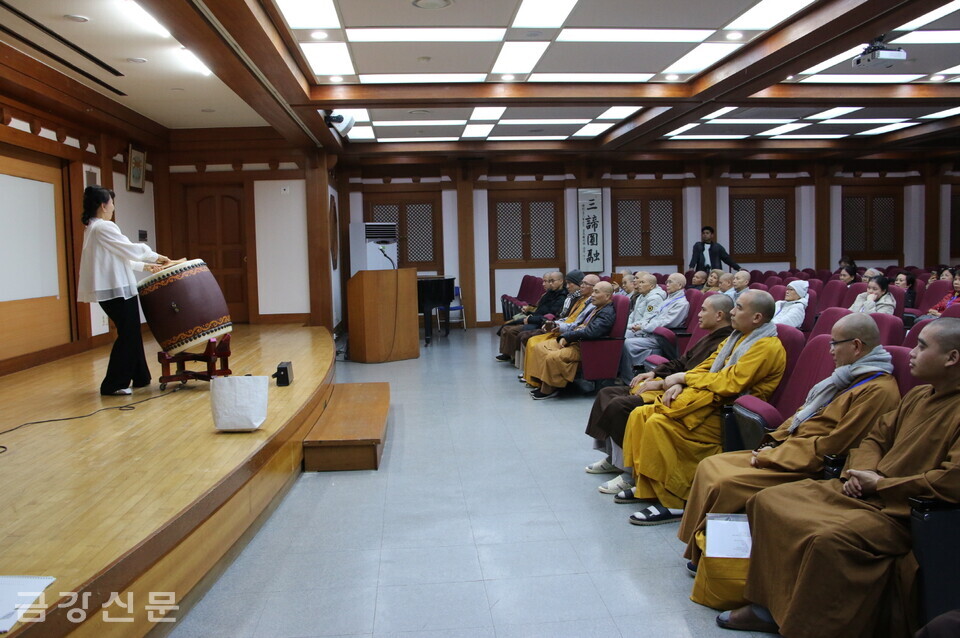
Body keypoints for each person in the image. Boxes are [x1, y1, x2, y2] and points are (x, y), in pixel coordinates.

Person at [719, 319, 960, 638]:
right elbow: (876, 437)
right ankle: (767, 606)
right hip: (865, 489)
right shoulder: (919, 396)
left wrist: (881, 485)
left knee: (826, 539)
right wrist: (866, 471)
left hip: (903, 513)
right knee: (768, 501)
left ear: (952, 358)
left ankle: (808, 626)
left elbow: (949, 480)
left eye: (922, 346)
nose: (911, 353)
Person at [678, 313, 900, 569]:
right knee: (710, 465)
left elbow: (835, 445)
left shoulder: (877, 390)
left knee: (727, 482)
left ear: (856, 346)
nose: (830, 351)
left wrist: (772, 456)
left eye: (835, 344)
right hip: (789, 449)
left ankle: (721, 562)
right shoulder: (846, 377)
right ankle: (704, 549)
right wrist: (773, 443)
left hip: (808, 464)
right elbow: (802, 415)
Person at [616, 291, 786, 524]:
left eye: (737, 308)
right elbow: (706, 366)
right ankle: (648, 487)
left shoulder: (766, 346)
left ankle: (675, 501)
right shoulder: (737, 338)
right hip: (706, 401)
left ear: (757, 318)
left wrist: (685, 380)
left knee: (657, 423)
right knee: (640, 414)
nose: (732, 312)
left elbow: (730, 383)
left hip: (728, 414)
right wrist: (681, 380)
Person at [585, 294, 734, 495]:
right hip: (673, 382)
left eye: (703, 310)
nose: (698, 314)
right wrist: (654, 372)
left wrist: (667, 383)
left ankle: (630, 470)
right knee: (606, 393)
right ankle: (614, 459)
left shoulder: (725, 341)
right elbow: (681, 362)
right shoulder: (709, 336)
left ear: (718, 315)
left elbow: (705, 376)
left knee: (620, 406)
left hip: (682, 391)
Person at [77, 185, 173, 396]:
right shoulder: (103, 227)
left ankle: (140, 376)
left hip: (116, 289)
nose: (113, 207)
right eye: (112, 202)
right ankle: (113, 384)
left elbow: (113, 258)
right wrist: (155, 256)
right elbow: (129, 248)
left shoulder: (93, 228)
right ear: (103, 205)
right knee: (128, 335)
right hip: (116, 291)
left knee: (131, 332)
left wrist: (144, 266)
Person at [526, 281, 617, 400]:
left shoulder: (607, 312)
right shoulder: (597, 307)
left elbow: (591, 332)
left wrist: (567, 337)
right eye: (593, 291)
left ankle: (551, 388)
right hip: (577, 339)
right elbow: (580, 325)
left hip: (586, 346)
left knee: (552, 357)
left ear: (607, 296)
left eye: (596, 292)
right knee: (539, 347)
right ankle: (542, 383)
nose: (593, 295)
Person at [619, 273, 690, 381]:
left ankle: (629, 379)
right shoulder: (668, 299)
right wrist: (643, 326)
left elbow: (665, 323)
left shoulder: (681, 303)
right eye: (666, 282)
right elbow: (654, 317)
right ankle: (626, 376)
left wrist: (643, 327)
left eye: (670, 282)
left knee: (627, 342)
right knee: (622, 337)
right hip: (652, 333)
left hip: (663, 337)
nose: (667, 285)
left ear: (680, 286)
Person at [496, 271, 565, 362]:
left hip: (541, 322)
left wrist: (530, 318)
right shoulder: (549, 293)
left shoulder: (562, 296)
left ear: (561, 281)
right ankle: (509, 354)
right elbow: (539, 308)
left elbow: (550, 314)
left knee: (512, 330)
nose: (548, 284)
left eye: (551, 281)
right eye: (549, 281)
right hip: (535, 318)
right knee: (507, 326)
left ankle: (514, 357)